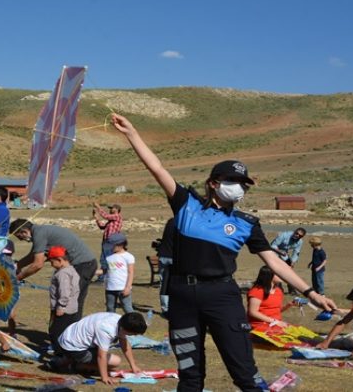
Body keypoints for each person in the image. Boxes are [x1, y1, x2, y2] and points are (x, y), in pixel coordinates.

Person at [110, 113, 336, 392]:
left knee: (244, 373)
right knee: (190, 377)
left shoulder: (246, 223)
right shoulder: (186, 204)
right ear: (214, 183)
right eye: (233, 180)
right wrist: (132, 134)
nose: (239, 187)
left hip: (221, 297)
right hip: (181, 297)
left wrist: (311, 293)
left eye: (243, 183)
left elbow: (274, 262)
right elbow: (157, 168)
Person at [10, 218, 98, 320]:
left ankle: (67, 330)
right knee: (73, 300)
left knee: (70, 301)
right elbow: (33, 255)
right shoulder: (40, 231)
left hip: (82, 265)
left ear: (24, 231)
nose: (21, 240)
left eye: (20, 237)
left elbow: (38, 264)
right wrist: (17, 266)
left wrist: (17, 278)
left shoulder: (39, 233)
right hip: (84, 264)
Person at [49, 312, 147, 385]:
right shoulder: (106, 329)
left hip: (71, 337)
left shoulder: (121, 320)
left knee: (112, 363)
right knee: (115, 362)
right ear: (125, 329)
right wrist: (105, 377)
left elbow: (124, 344)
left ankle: (67, 360)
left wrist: (133, 366)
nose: (133, 336)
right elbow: (101, 356)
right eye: (133, 334)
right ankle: (74, 365)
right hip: (72, 345)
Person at [47, 245, 80, 354]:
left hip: (64, 309)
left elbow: (64, 291)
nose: (51, 265)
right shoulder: (71, 270)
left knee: (55, 332)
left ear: (59, 260)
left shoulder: (62, 274)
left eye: (52, 262)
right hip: (73, 308)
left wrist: (61, 306)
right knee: (68, 332)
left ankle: (60, 354)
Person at [98, 232, 135, 314]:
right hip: (110, 288)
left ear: (121, 245)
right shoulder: (109, 258)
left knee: (127, 308)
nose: (110, 248)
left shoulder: (128, 257)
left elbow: (130, 272)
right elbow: (105, 270)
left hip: (122, 288)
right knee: (110, 309)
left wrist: (128, 287)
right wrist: (93, 272)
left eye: (112, 245)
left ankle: (135, 324)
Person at [247, 266, 289, 331]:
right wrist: (275, 322)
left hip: (275, 324)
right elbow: (253, 312)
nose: (282, 275)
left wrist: (289, 305)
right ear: (269, 275)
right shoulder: (257, 291)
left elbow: (275, 311)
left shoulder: (278, 291)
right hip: (259, 325)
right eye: (278, 273)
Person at [92, 202, 123, 282]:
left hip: (111, 241)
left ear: (116, 209)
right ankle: (105, 277)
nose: (110, 210)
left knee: (106, 260)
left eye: (112, 208)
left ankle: (103, 278)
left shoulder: (117, 216)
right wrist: (97, 218)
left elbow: (105, 216)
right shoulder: (111, 220)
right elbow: (102, 227)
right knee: (105, 259)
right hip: (107, 241)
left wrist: (98, 207)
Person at [270, 228, 306, 293]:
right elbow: (273, 245)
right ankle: (278, 286)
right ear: (294, 232)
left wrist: (293, 262)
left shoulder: (300, 242)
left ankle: (291, 288)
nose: (297, 235)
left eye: (300, 236)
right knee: (275, 269)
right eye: (296, 233)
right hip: (274, 251)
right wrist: (279, 251)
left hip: (284, 253)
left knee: (289, 270)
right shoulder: (284, 235)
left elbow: (296, 252)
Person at [155, 218, 175, 316]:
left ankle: (165, 308)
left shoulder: (170, 221)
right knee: (175, 283)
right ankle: (173, 307)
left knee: (163, 283)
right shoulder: (184, 222)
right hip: (174, 257)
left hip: (163, 255)